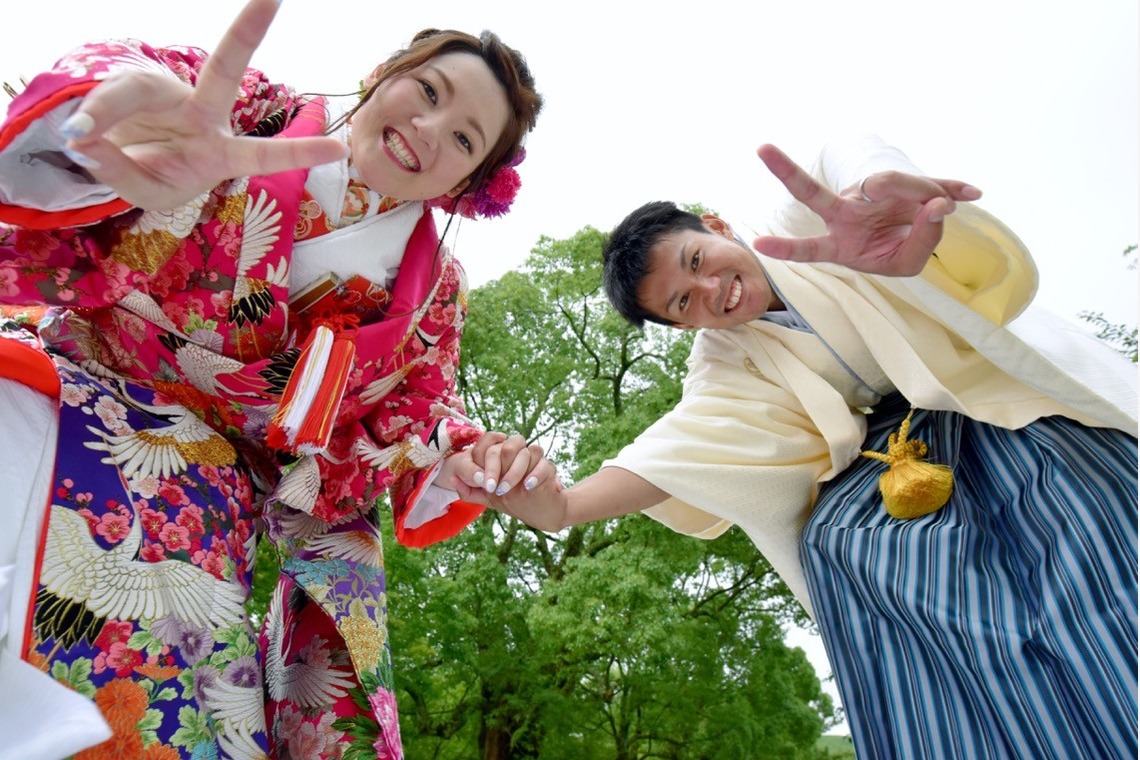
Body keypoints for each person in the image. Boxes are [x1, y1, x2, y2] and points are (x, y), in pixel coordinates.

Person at [0, 0, 551, 757]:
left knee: (182, 700)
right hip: (75, 383)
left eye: (464, 138)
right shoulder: (252, 113)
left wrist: (470, 461)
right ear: (382, 74)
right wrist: (119, 132)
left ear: (471, 181)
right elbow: (140, 83)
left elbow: (414, 419)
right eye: (428, 91)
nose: (430, 128)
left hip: (212, 497)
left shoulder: (435, 299)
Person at [472, 134, 1138, 759]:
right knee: (843, 547)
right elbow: (673, 453)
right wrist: (561, 507)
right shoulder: (725, 362)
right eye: (682, 303)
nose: (711, 292)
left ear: (716, 226)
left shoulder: (806, 224)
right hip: (895, 455)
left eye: (697, 261)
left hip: (993, 400)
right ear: (678, 326)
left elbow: (844, 158)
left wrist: (873, 185)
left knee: (1077, 516)